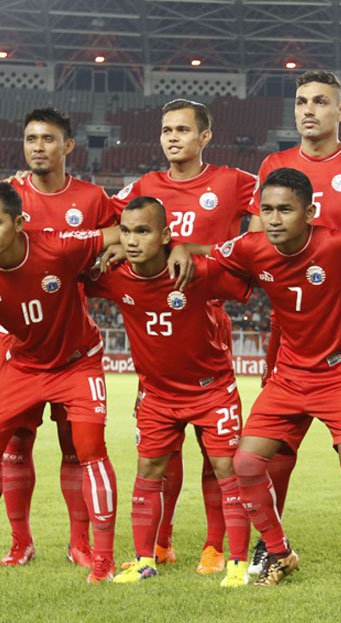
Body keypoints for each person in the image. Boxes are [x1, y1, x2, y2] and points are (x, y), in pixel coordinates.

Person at [210, 167, 341, 594]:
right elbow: (206, 253)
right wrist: (170, 248)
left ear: (309, 212)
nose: (273, 219)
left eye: (285, 210)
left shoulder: (338, 242)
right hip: (289, 374)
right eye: (266, 209)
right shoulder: (252, 247)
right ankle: (279, 551)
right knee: (246, 463)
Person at [245, 70, 341, 581]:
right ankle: (272, 546)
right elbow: (254, 241)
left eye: (320, 102)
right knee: (276, 447)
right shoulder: (274, 164)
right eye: (301, 101)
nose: (309, 110)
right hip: (287, 327)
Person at [0, 182, 130, 582]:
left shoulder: (59, 245)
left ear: (19, 223)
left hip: (77, 364)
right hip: (24, 366)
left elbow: (119, 230)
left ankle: (102, 556)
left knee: (88, 449)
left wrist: (119, 247)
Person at [109, 98, 257, 574]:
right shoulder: (144, 188)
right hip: (156, 333)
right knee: (159, 446)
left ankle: (216, 545)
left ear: (204, 137)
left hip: (206, 319)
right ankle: (161, 542)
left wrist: (199, 249)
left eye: (182, 130)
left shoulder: (232, 182)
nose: (172, 137)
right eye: (166, 130)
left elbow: (278, 212)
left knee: (215, 455)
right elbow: (106, 223)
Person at [83, 197, 254, 587]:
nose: (131, 240)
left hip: (212, 391)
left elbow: (248, 271)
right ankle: (145, 560)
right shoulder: (113, 274)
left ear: (164, 235)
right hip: (158, 396)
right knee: (148, 470)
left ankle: (238, 561)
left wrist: (193, 248)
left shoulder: (196, 271)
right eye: (125, 231)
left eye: (142, 231)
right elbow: (59, 262)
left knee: (228, 469)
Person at [0, 107, 119, 569]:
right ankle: (19, 542)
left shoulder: (91, 197)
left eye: (48, 139)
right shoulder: (10, 195)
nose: (37, 147)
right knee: (15, 445)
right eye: (31, 138)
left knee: (77, 448)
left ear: (68, 146)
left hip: (72, 346)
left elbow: (127, 232)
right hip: (20, 345)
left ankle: (79, 544)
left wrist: (102, 253)